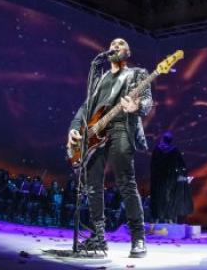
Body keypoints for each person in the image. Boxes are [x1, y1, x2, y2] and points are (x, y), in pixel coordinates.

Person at [67, 38, 152, 257]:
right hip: (95, 134)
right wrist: (75, 128)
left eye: (121, 43)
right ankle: (98, 236)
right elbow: (87, 107)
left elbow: (147, 100)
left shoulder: (137, 73)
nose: (115, 46)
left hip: (121, 126)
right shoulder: (100, 77)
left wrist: (137, 106)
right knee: (93, 185)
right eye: (112, 44)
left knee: (126, 182)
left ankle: (138, 238)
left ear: (128, 52)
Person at [150, 131, 193, 223]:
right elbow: (181, 164)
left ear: (163, 139)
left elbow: (153, 165)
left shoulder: (157, 149)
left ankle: (157, 219)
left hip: (159, 178)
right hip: (171, 177)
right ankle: (169, 219)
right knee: (170, 197)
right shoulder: (174, 150)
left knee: (159, 197)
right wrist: (183, 175)